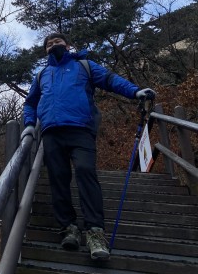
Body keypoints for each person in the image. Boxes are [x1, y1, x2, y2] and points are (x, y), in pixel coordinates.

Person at [22, 33, 155, 261]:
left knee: (85, 171)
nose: (53, 45)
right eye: (49, 44)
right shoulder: (42, 74)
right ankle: (68, 228)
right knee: (58, 179)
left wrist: (134, 91)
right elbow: (30, 103)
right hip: (51, 133)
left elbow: (110, 80)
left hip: (81, 129)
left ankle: (95, 232)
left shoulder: (84, 66)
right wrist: (28, 125)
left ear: (68, 45)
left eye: (58, 42)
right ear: (45, 51)